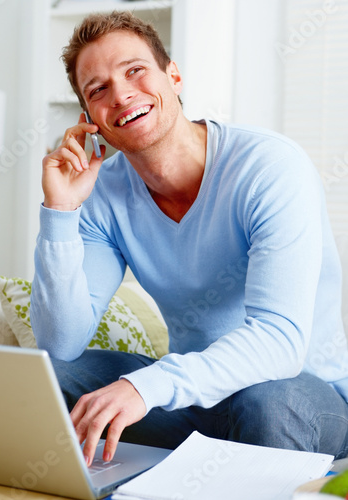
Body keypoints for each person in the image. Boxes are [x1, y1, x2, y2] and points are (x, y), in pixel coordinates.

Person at [30, 10, 348, 467]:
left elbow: (280, 341)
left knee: (265, 404)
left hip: (299, 393)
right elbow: (61, 344)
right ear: (90, 118)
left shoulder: (270, 168)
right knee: (49, 377)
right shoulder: (103, 192)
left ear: (173, 76)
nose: (121, 95)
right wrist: (60, 212)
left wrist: (145, 387)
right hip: (194, 401)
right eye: (98, 89)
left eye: (135, 71)